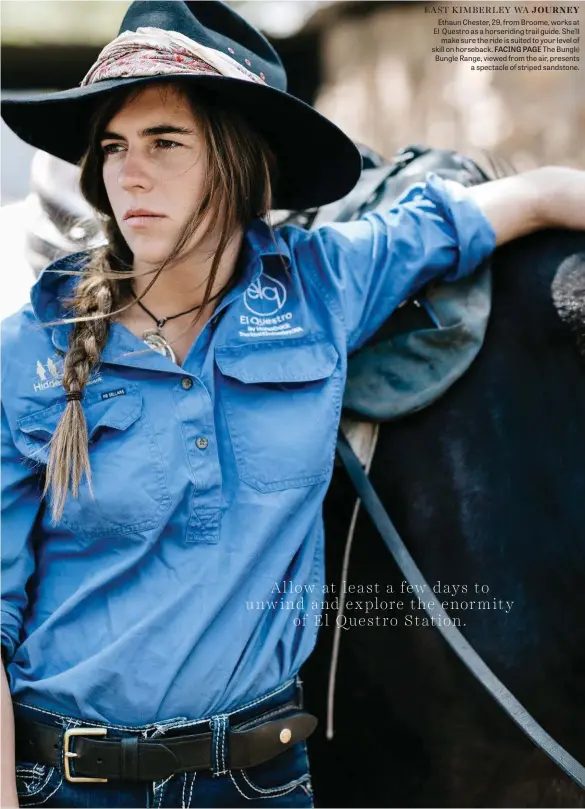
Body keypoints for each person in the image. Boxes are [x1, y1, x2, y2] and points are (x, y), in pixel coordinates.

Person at [1, 2, 585, 807]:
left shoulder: (320, 288)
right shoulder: (30, 348)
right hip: (66, 784)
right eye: (112, 147)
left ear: (241, 165)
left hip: (258, 783)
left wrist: (561, 188)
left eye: (165, 143)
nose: (127, 173)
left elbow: (495, 209)